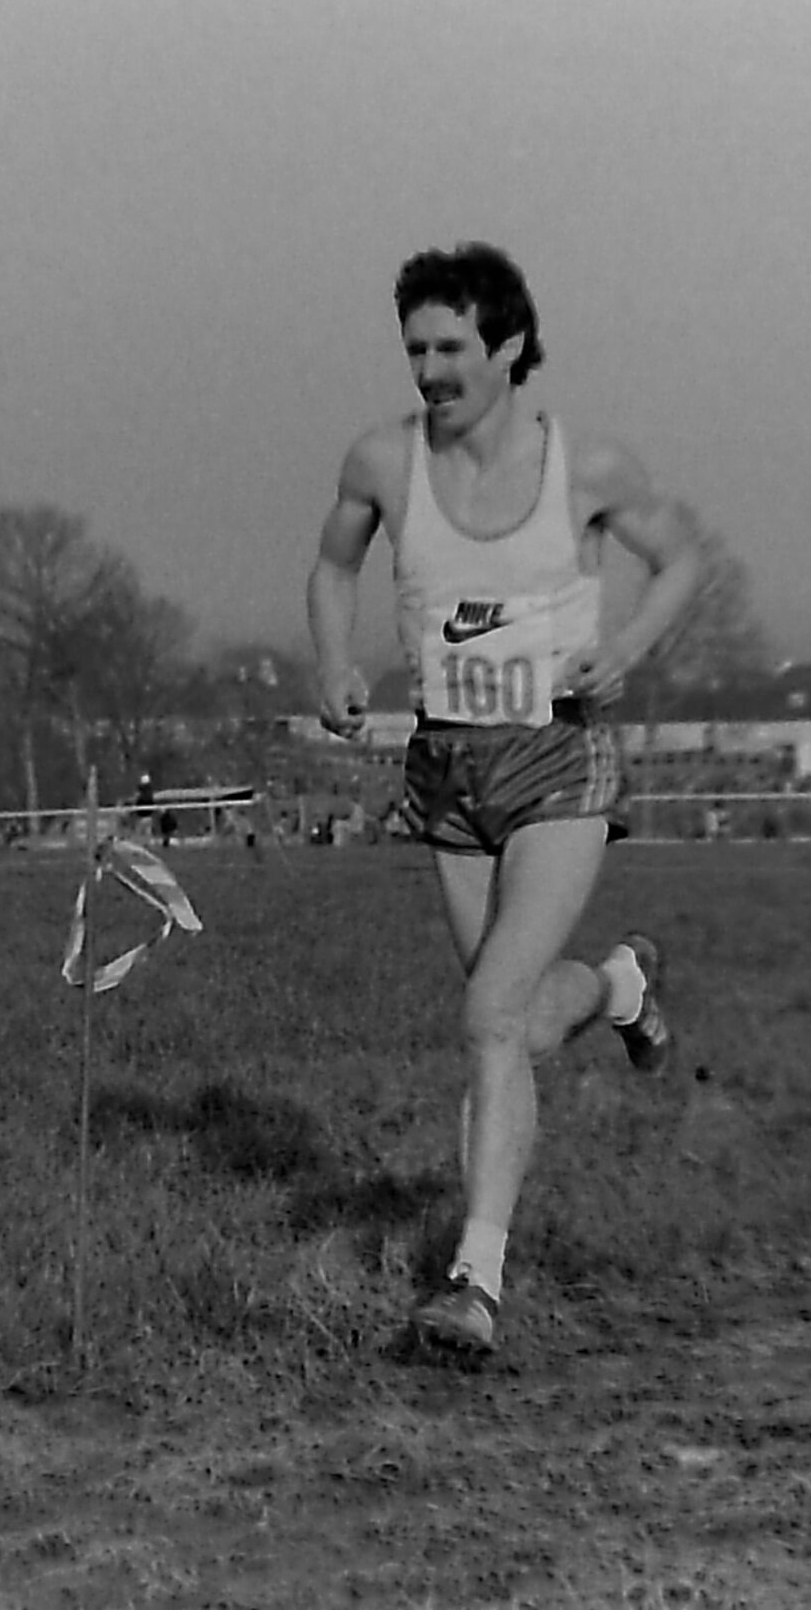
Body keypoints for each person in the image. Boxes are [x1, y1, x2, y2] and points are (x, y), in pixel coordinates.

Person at [307, 241, 702, 1355]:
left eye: (450, 348)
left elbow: (683, 560)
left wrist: (624, 647)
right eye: (415, 348)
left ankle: (472, 1283)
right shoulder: (383, 462)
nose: (429, 370)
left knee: (485, 1019)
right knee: (519, 1028)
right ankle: (621, 985)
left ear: (509, 347)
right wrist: (333, 662)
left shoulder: (586, 467)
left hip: (556, 764)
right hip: (446, 767)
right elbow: (333, 565)